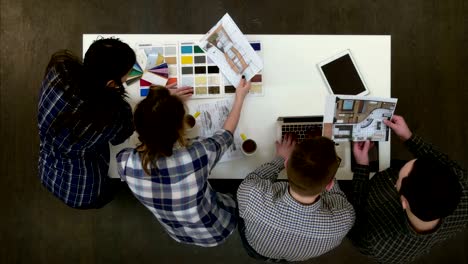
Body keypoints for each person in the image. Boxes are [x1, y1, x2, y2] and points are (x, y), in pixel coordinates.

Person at [116, 78, 251, 247]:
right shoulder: (198, 153)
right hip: (217, 228)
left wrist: (161, 104)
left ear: (137, 126)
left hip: (178, 232)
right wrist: (239, 97)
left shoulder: (124, 161)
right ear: (181, 128)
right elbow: (226, 135)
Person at [350, 115, 468, 264]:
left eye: (398, 178)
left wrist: (361, 166)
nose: (395, 175)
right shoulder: (464, 187)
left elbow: (355, 212)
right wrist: (408, 137)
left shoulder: (377, 243)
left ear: (404, 202)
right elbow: (438, 161)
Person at [38, 38, 136, 209]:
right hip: (82, 190)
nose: (129, 77)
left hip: (46, 165)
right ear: (111, 84)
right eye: (125, 77)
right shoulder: (108, 118)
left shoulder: (59, 72)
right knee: (109, 191)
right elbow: (120, 137)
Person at [237, 135, 355, 262]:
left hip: (257, 249)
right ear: (330, 184)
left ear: (286, 164)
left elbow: (254, 179)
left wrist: (280, 158)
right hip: (296, 255)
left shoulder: (250, 195)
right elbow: (336, 196)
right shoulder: (343, 221)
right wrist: (324, 172)